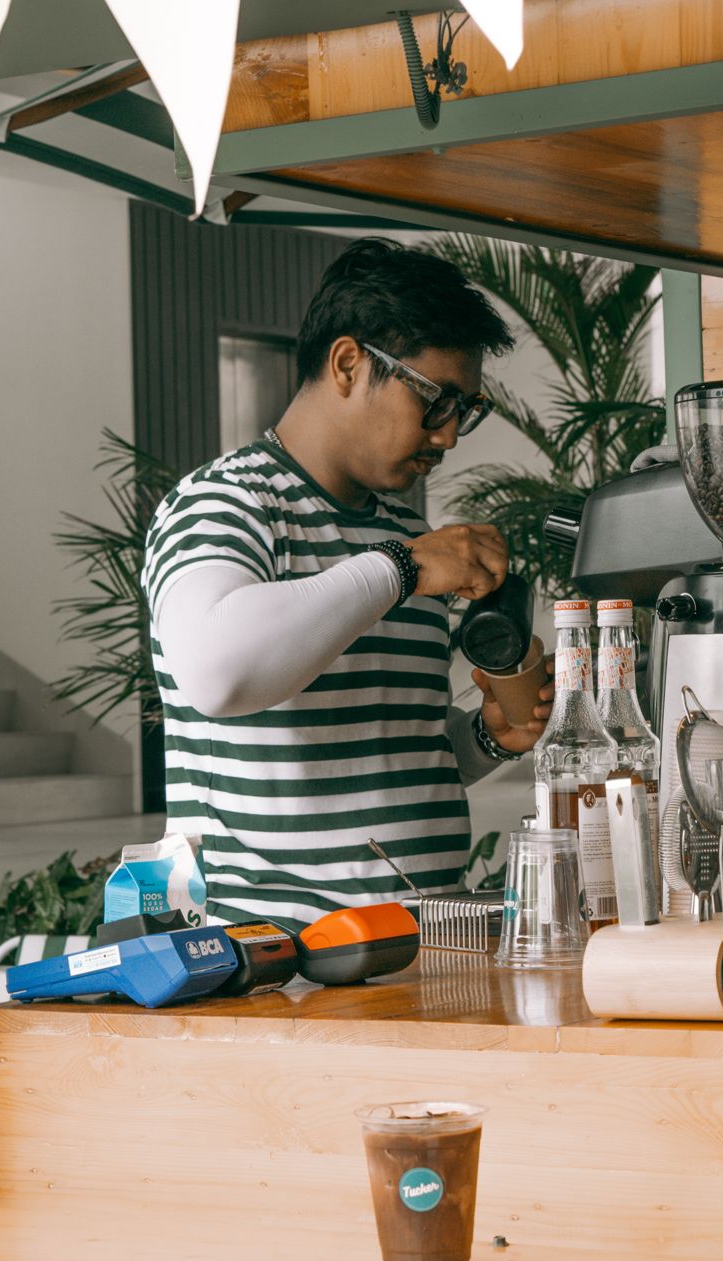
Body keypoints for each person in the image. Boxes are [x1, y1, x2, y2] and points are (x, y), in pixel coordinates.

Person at [142, 237, 554, 929]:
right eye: (437, 401)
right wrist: (401, 568)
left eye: (464, 410)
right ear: (347, 364)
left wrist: (483, 739)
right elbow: (216, 673)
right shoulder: (226, 503)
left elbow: (382, 752)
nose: (449, 435)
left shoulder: (395, 530)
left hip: (422, 946)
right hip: (277, 963)